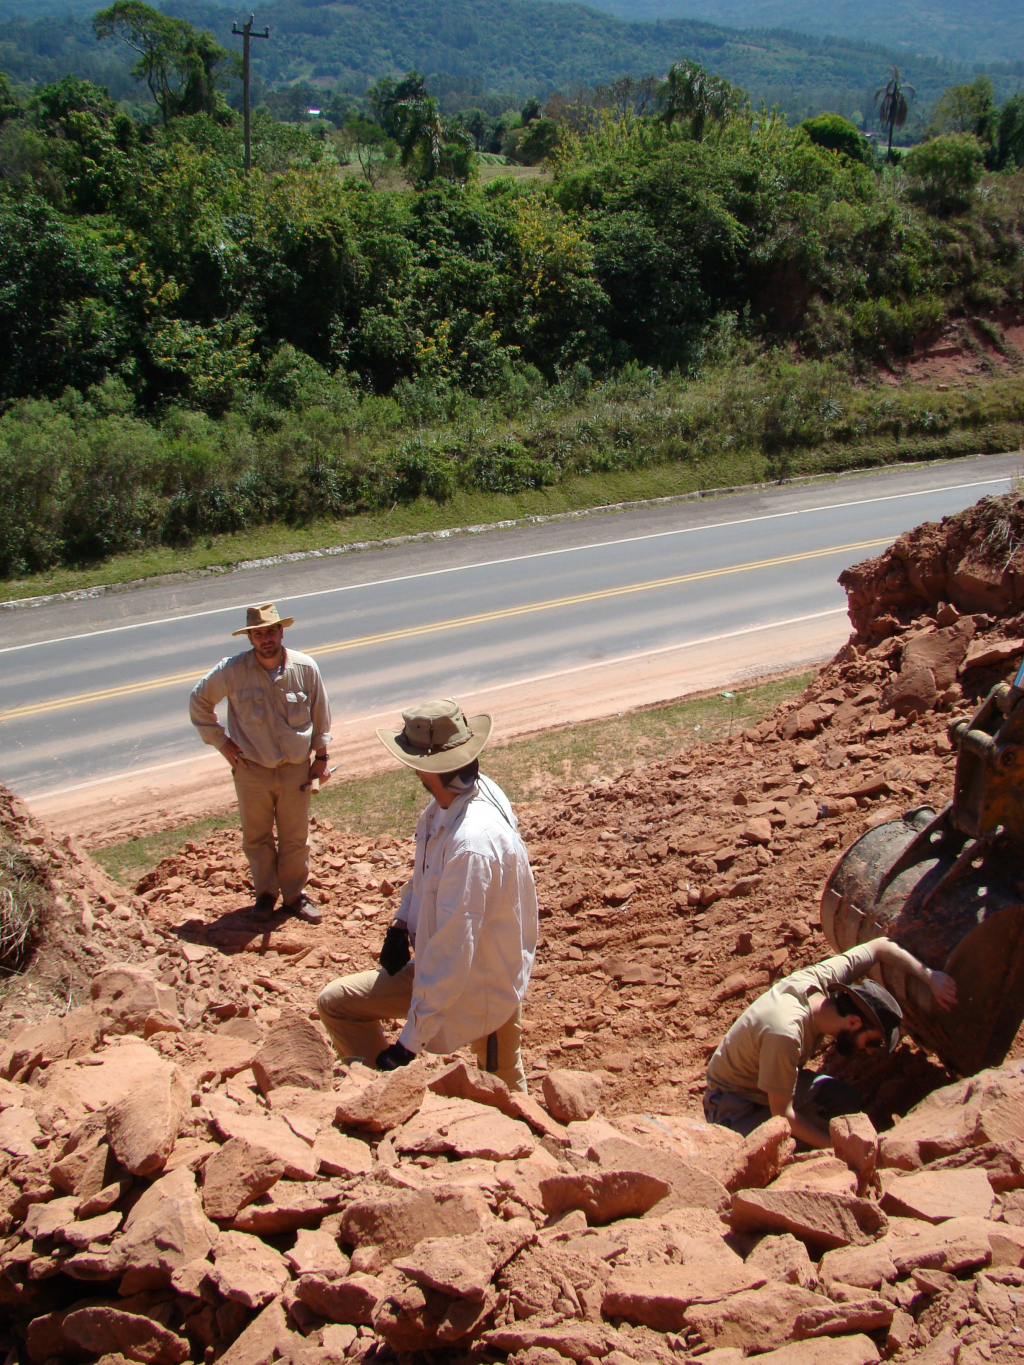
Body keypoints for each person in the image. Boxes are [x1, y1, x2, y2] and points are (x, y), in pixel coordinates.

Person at [317, 699, 538, 1091]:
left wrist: (407, 1045)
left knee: (504, 1094)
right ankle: (378, 1097)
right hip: (435, 974)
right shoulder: (449, 803)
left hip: (483, 984)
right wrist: (402, 923)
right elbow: (426, 871)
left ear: (425, 766)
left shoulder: (473, 843)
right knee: (337, 1004)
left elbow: (454, 951)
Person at [703, 937, 958, 1147]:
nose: (869, 1051)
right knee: (790, 1148)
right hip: (731, 1102)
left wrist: (929, 976)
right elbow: (784, 1116)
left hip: (765, 1082)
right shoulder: (786, 1033)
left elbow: (879, 946)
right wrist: (837, 1150)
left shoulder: (820, 981)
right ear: (854, 1023)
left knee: (844, 1103)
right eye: (872, 1042)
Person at [189, 602, 332, 925]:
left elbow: (321, 716)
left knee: (295, 838)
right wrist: (223, 744)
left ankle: (294, 896)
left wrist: (321, 758)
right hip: (252, 771)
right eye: (258, 634)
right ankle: (265, 895)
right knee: (257, 837)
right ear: (250, 637)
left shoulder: (305, 668)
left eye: (271, 631)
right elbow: (199, 702)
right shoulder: (231, 671)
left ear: (281, 631)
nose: (266, 639)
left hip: (295, 768)